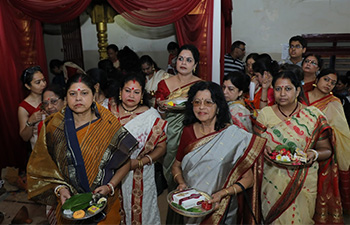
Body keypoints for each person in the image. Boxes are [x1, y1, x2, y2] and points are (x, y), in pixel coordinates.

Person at [27, 73, 138, 225]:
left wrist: (110, 186)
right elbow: (44, 166)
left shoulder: (107, 124)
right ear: (66, 98)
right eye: (73, 94)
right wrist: (60, 189)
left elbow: (125, 161)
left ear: (94, 95)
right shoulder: (54, 127)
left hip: (102, 202)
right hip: (70, 205)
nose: (78, 98)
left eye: (84, 93)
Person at [171, 81, 266, 224]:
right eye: (197, 102)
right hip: (192, 207)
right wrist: (181, 183)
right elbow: (176, 165)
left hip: (222, 208)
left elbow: (248, 179)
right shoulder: (188, 131)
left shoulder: (233, 136)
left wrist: (222, 194)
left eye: (208, 102)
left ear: (218, 107)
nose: (201, 107)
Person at [255, 70, 342, 224]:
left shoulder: (312, 115)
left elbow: (327, 149)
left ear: (298, 90)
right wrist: (262, 149)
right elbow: (254, 146)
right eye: (277, 89)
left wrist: (313, 154)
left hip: (304, 180)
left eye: (288, 89)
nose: (282, 93)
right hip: (272, 179)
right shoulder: (265, 114)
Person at [110, 73, 167, 225]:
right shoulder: (107, 111)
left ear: (142, 95)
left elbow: (161, 146)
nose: (131, 95)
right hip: (109, 174)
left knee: (144, 215)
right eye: (127, 90)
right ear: (120, 91)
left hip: (140, 173)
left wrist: (142, 161)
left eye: (136, 92)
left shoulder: (150, 116)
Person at [155, 44, 202, 191]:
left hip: (194, 128)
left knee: (191, 164)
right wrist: (161, 107)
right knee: (171, 164)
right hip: (171, 130)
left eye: (188, 60)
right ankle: (173, 191)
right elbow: (160, 110)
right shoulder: (164, 83)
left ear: (195, 64)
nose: (183, 63)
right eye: (181, 59)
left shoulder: (201, 85)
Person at [305, 68, 350, 215]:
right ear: (317, 80)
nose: (329, 84)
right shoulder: (302, 97)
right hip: (299, 145)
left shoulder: (334, 103)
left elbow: (342, 132)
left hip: (323, 150)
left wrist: (325, 132)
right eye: (326, 79)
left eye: (333, 83)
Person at [18, 66, 47, 150]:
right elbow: (25, 137)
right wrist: (30, 122)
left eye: (44, 80)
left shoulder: (50, 97)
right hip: (39, 148)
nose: (43, 84)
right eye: (38, 82)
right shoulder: (24, 107)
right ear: (28, 86)